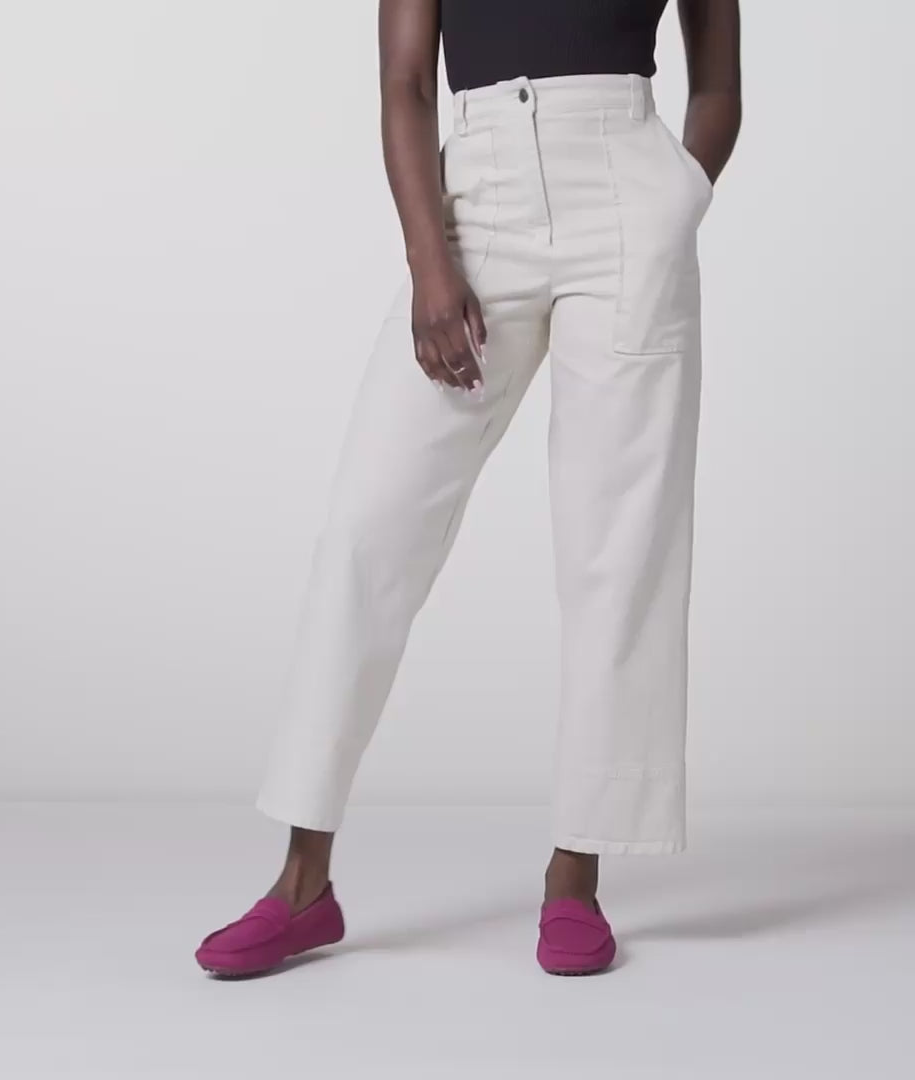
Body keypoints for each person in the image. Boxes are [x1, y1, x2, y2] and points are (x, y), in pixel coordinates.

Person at [196, 0, 741, 977]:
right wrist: (428, 259)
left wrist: (675, 205)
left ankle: (575, 876)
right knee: (369, 529)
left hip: (627, 198)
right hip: (477, 201)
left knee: (617, 551)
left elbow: (719, 87)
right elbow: (405, 83)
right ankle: (302, 883)